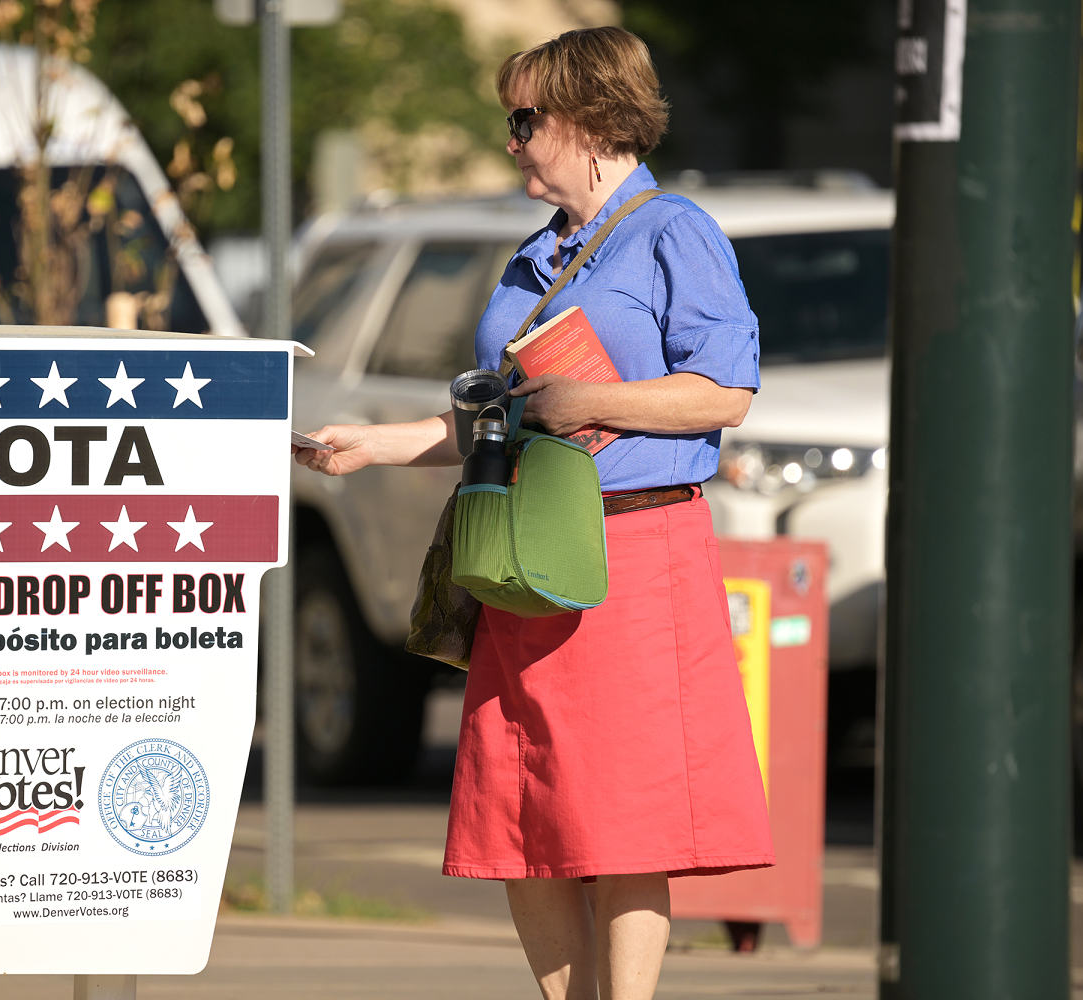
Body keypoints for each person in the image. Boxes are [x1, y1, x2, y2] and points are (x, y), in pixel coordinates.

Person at [294, 26, 773, 1000]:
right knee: (524, 814)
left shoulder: (673, 231)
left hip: (634, 551)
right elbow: (493, 412)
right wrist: (374, 444)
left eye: (525, 120)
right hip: (520, 551)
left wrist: (596, 402)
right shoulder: (536, 254)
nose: (510, 142)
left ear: (593, 119)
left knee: (624, 816)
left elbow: (725, 393)